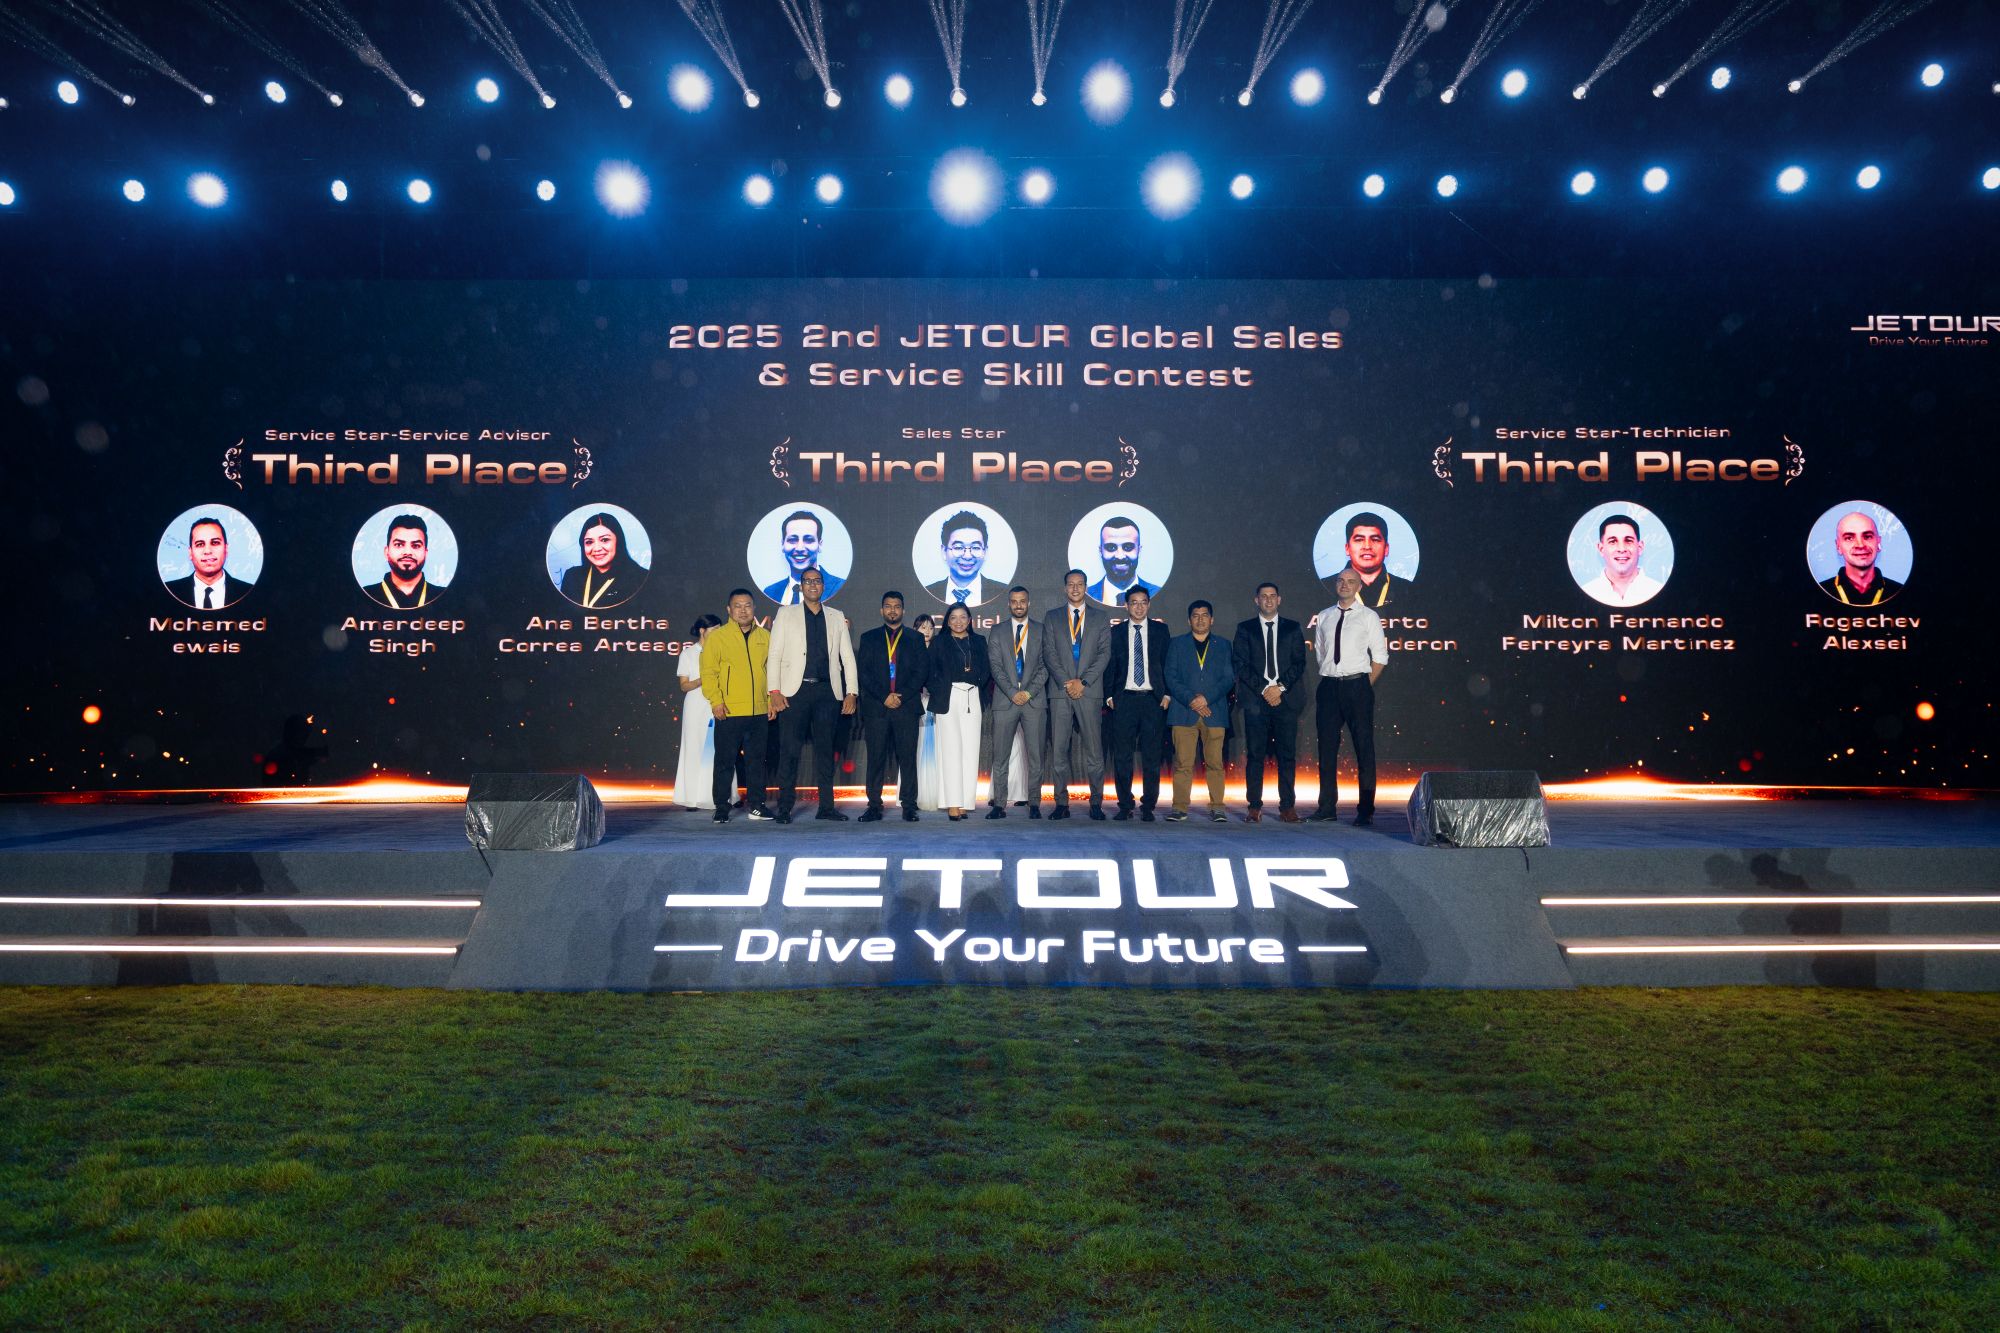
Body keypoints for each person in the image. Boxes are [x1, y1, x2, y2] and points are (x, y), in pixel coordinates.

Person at [767, 567, 860, 822]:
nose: (812, 585)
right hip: (793, 693)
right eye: (807, 581)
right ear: (801, 586)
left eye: (817, 581)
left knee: (826, 752)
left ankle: (826, 808)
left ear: (823, 586)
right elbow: (774, 655)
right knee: (789, 751)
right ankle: (784, 808)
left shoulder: (836, 616)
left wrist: (852, 692)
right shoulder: (786, 614)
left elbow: (847, 658)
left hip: (827, 693)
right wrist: (774, 691)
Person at [1311, 569, 1390, 826]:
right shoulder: (1324, 616)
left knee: (1364, 749)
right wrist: (1334, 676)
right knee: (1326, 749)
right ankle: (1326, 808)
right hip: (1329, 687)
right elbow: (1321, 653)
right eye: (1341, 581)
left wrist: (1362, 685)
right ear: (1336, 584)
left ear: (1359, 587)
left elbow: (1380, 657)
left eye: (1351, 582)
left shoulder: (1369, 616)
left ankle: (1365, 810)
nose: (1345, 585)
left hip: (1358, 687)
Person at [1232, 582, 1308, 823]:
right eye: (1263, 596)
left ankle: (1287, 807)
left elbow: (1299, 662)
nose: (1268, 600)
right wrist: (1266, 688)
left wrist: (1279, 687)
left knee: (1287, 755)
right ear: (1256, 600)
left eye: (1272, 596)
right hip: (1256, 700)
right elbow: (1241, 664)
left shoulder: (1292, 628)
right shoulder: (1245, 628)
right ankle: (1254, 806)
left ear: (1279, 599)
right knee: (1255, 755)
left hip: (1286, 699)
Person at [855, 591, 931, 822]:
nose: (892, 610)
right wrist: (884, 697)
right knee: (875, 759)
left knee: (907, 759)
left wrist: (901, 696)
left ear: (903, 610)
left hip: (906, 707)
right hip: (877, 708)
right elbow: (864, 673)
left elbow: (921, 672)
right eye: (888, 606)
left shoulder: (915, 638)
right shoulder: (869, 638)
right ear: (881, 610)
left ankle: (909, 806)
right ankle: (874, 806)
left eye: (897, 606)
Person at [1042, 568, 1112, 819]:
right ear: (1065, 588)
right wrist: (1067, 682)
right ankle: (1061, 804)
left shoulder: (1101, 618)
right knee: (1059, 752)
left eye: (1079, 584)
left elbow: (1104, 654)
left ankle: (1096, 804)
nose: (1075, 588)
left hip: (1088, 691)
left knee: (1094, 751)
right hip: (1060, 692)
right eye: (1070, 584)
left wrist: (1082, 682)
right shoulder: (1052, 617)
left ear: (1086, 587)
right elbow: (1049, 653)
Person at [702, 589, 775, 822]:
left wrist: (771, 700)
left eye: (747, 605)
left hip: (759, 711)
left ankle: (757, 805)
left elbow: (772, 671)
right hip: (729, 711)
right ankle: (721, 807)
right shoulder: (718, 637)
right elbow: (708, 672)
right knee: (725, 761)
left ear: (754, 608)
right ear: (729, 609)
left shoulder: (765, 636)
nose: (743, 610)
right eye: (738, 606)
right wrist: (716, 700)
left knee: (757, 762)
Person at [1104, 587, 1173, 820]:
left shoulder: (1161, 630)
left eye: (1143, 602)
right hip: (1124, 700)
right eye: (1134, 602)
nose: (1139, 607)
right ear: (1126, 606)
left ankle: (1148, 806)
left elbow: (1168, 664)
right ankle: (1125, 805)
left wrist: (1167, 694)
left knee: (1152, 756)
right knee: (1122, 756)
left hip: (1153, 700)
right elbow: (1109, 666)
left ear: (1149, 604)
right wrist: (1109, 695)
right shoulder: (1116, 632)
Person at [1165, 600, 1234, 823]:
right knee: (1182, 764)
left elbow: (1228, 678)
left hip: (1214, 711)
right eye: (1196, 615)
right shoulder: (1177, 644)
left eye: (1205, 615)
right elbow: (1170, 677)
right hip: (1183, 711)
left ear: (1212, 620)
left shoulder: (1224, 645)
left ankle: (1218, 807)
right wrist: (1191, 700)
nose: (1200, 619)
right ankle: (1179, 808)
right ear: (1189, 620)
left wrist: (1206, 699)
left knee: (1215, 764)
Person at [984, 585, 1048, 818]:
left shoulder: (1041, 630)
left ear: (1029, 603)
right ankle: (999, 805)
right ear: (1009, 604)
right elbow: (995, 666)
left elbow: (1046, 665)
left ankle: (1034, 804)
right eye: (1014, 601)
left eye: (1022, 601)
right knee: (1000, 757)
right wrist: (1013, 692)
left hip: (1034, 700)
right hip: (1005, 700)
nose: (1018, 605)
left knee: (1036, 757)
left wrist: (1028, 692)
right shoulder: (998, 631)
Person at [927, 602, 990, 820]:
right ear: (947, 621)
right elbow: (929, 671)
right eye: (953, 617)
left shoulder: (979, 641)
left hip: (973, 697)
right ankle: (953, 803)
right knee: (951, 751)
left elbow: (987, 669)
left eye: (963, 617)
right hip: (948, 698)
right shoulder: (939, 642)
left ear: (970, 620)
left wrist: (977, 684)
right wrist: (939, 690)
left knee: (970, 752)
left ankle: (964, 802)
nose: (958, 621)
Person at [673, 614, 724, 810]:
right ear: (703, 631)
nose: (718, 633)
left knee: (720, 748)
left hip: (718, 702)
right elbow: (684, 685)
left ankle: (724, 795)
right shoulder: (688, 654)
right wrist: (704, 679)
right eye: (714, 630)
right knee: (694, 748)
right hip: (695, 704)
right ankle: (692, 798)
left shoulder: (722, 650)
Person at [558, 511, 648, 609]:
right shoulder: (571, 577)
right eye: (589, 542)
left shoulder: (641, 578)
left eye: (604, 540)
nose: (597, 548)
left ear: (619, 542)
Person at [169, 515, 255, 609]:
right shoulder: (168, 592)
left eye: (215, 543)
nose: (208, 551)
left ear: (226, 549)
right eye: (200, 544)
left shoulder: (251, 593)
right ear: (190, 552)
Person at [1819, 510, 1904, 605]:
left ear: (1878, 543)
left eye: (1867, 537)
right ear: (1838, 546)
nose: (1860, 545)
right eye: (1849, 538)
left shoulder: (1903, 594)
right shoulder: (1817, 594)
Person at [364, 513, 448, 609]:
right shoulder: (363, 596)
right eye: (399, 544)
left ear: (426, 553)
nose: (407, 552)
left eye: (416, 545)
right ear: (386, 552)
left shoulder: (446, 597)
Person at [1579, 514, 1663, 607]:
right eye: (1612, 541)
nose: (1621, 549)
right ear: (1601, 549)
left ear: (1640, 547)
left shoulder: (1659, 592)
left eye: (1628, 540)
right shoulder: (1584, 594)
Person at [762, 509, 845, 604]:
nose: (800, 548)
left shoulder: (840, 588)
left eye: (808, 540)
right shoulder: (770, 592)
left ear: (820, 545)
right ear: (782, 544)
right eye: (792, 540)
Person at [1336, 511, 1409, 608]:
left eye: (1375, 539)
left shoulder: (1408, 590)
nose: (1367, 546)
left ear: (1386, 549)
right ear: (1347, 548)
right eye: (1359, 540)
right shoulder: (1326, 586)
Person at [924, 509, 996, 607]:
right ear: (944, 551)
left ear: (985, 551)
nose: (967, 556)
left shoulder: (1000, 592)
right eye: (958, 547)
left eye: (975, 547)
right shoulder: (928, 593)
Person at [1086, 515, 1162, 605]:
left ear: (1139, 550)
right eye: (1111, 547)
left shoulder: (1160, 595)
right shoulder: (1085, 596)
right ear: (1100, 551)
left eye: (1128, 547)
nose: (1120, 556)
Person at [912, 613, 943, 811]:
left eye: (931, 628)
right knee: (914, 747)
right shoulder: (909, 649)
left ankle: (936, 793)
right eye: (923, 627)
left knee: (935, 746)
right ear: (915, 629)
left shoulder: (938, 649)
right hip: (914, 702)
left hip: (935, 703)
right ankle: (912, 794)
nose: (928, 631)